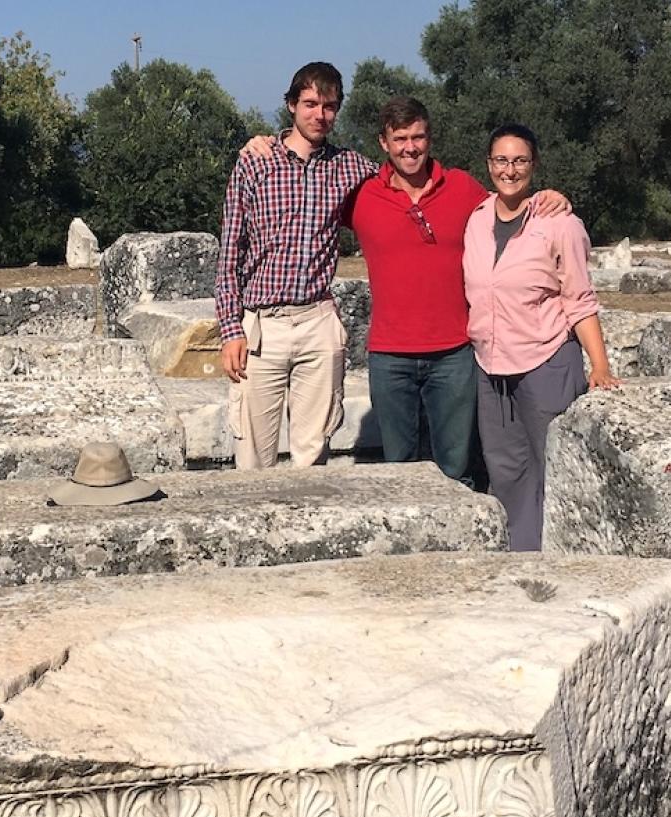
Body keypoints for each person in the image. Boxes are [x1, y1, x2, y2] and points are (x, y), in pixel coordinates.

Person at [238, 96, 570, 485]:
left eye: (418, 137)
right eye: (400, 139)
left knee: (456, 466)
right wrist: (264, 144)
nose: (410, 147)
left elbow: (508, 207)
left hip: (454, 354)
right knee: (398, 471)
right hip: (389, 355)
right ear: (383, 142)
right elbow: (306, 208)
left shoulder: (462, 188)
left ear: (430, 138)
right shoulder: (362, 193)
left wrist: (550, 197)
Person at [463, 124, 619, 552]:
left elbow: (580, 298)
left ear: (534, 165)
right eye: (501, 160)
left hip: (545, 359)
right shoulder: (476, 219)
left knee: (552, 466)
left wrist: (600, 366)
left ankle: (560, 558)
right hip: (490, 364)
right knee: (505, 467)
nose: (509, 170)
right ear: (488, 164)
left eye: (519, 161)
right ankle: (521, 559)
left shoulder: (559, 223)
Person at [214, 62, 376, 470]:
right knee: (253, 457)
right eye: (310, 104)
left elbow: (408, 175)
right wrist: (231, 331)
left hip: (317, 321)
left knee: (314, 452)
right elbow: (229, 254)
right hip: (262, 327)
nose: (320, 115)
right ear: (291, 105)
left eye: (329, 106)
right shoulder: (255, 162)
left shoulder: (350, 167)